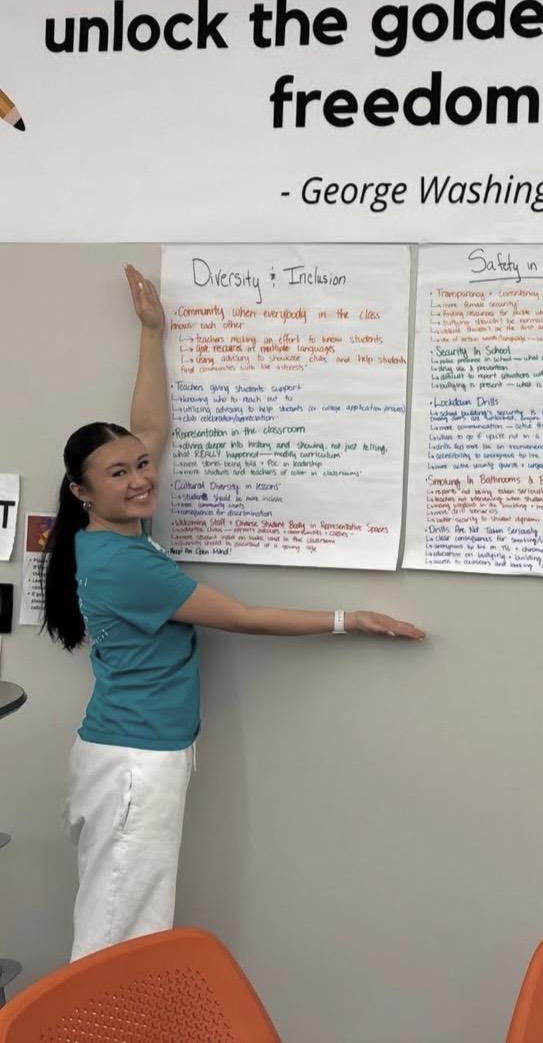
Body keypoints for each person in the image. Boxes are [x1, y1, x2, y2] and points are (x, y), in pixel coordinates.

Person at [41, 264, 425, 961]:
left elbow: (149, 426)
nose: (142, 477)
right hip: (133, 763)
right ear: (81, 491)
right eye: (119, 473)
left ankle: (115, 1011)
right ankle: (99, 1017)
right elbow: (243, 616)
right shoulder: (126, 564)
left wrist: (151, 332)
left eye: (141, 465)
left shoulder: (108, 536)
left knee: (127, 917)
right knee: (117, 929)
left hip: (133, 751)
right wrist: (349, 619)